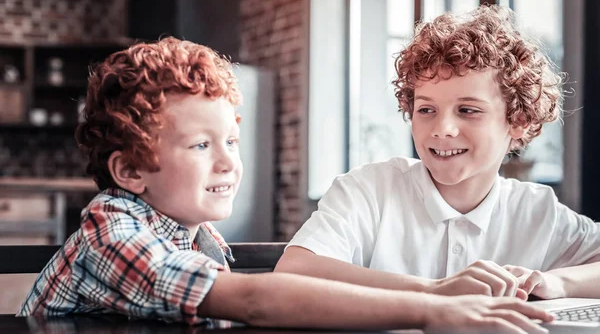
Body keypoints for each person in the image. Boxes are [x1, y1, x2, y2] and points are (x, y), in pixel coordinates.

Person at [16, 37, 551, 333]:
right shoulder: (113, 234)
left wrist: (437, 294)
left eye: (231, 140)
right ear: (130, 172)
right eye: (201, 146)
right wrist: (435, 304)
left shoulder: (195, 236)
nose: (228, 163)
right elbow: (253, 298)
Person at [275, 5, 600, 302]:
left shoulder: (537, 211)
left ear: (517, 120)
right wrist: (435, 292)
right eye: (426, 109)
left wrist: (557, 282)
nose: (442, 128)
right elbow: (293, 274)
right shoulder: (369, 190)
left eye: (468, 110)